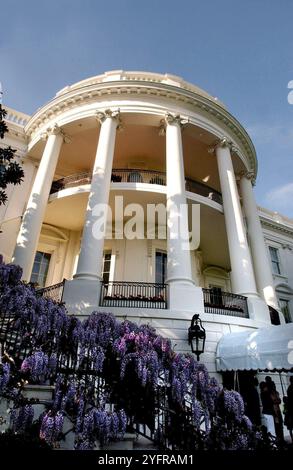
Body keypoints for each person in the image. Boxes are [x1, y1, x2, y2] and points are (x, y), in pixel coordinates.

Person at [265, 376, 284, 443]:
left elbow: (279, 401)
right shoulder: (268, 393)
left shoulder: (275, 392)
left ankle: (281, 439)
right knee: (277, 426)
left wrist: (275, 401)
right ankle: (279, 440)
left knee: (279, 425)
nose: (274, 386)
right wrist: (275, 401)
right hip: (273, 411)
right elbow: (274, 401)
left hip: (277, 410)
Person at [286, 377, 293, 443]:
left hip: (290, 409)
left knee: (290, 426)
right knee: (290, 425)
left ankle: (292, 438)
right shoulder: (290, 388)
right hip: (290, 409)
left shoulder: (289, 388)